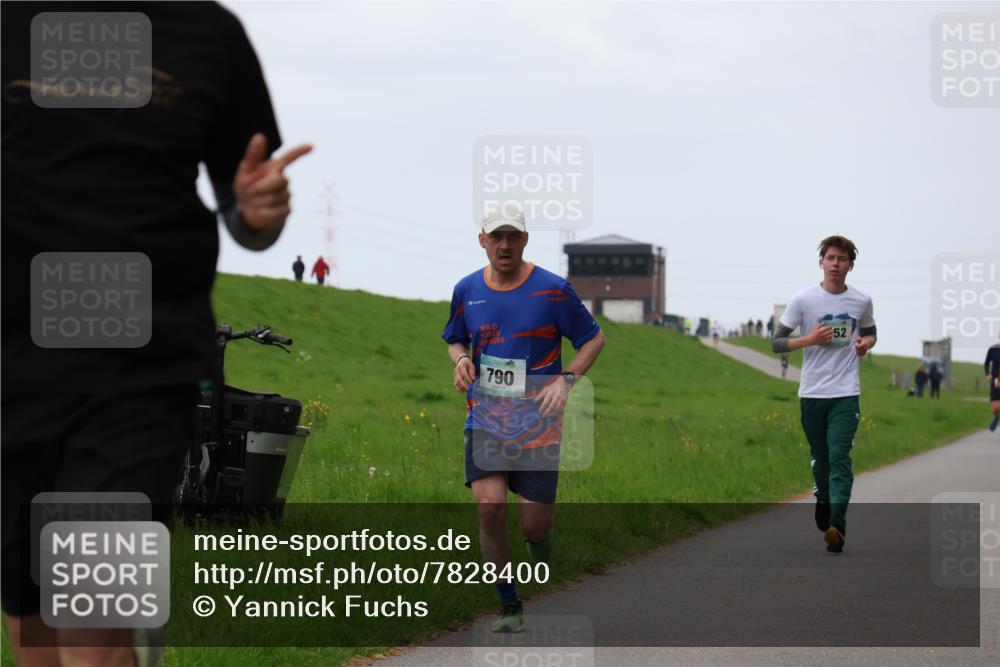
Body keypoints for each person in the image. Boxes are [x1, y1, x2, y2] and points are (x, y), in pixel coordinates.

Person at [1, 4, 312, 666]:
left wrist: (257, 211)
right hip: (12, 368)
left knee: (93, 621)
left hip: (140, 371)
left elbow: (246, 208)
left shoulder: (208, 34)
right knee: (33, 629)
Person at [442, 209, 605, 633]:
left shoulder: (553, 290)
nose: (504, 245)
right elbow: (455, 338)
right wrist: (460, 359)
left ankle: (540, 542)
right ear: (482, 240)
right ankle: (509, 603)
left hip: (539, 425)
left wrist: (566, 381)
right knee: (490, 508)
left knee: (534, 527)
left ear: (525, 239)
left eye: (512, 237)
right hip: (485, 420)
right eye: (496, 236)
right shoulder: (467, 289)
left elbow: (593, 338)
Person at [772, 235, 876, 554]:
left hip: (846, 392)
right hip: (812, 393)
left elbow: (870, 332)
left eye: (841, 259)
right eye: (830, 258)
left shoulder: (861, 300)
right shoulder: (804, 300)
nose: (835, 264)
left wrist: (865, 344)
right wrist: (810, 339)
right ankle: (823, 494)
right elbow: (777, 342)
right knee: (821, 461)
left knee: (840, 458)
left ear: (850, 265)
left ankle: (837, 527)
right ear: (821, 262)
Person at [985, 336, 1000, 431]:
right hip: (995, 381)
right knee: (995, 408)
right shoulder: (993, 349)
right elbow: (986, 363)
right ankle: (997, 417)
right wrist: (987, 374)